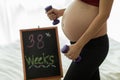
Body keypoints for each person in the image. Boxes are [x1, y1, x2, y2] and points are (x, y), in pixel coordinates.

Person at [46, 0, 114, 80]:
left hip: (93, 46)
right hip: (80, 43)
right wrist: (60, 12)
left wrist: (78, 46)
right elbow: (85, 6)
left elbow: (104, 15)